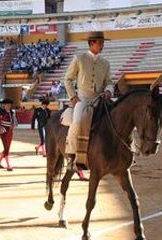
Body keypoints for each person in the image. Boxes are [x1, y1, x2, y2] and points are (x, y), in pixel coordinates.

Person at [64, 31, 114, 171]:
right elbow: (68, 79)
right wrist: (73, 96)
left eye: (103, 43)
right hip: (83, 98)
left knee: (117, 118)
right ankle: (71, 155)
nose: (102, 45)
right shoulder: (79, 59)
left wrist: (109, 91)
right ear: (91, 43)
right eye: (100, 43)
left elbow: (109, 82)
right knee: (77, 122)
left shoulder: (105, 63)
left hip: (100, 98)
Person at [0, 98, 18, 171]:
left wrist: (13, 125)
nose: (8, 106)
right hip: (3, 131)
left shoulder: (12, 112)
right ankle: (8, 165)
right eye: (7, 104)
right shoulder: (0, 112)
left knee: (7, 147)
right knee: (6, 147)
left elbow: (15, 122)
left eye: (9, 105)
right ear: (4, 105)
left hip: (10, 131)